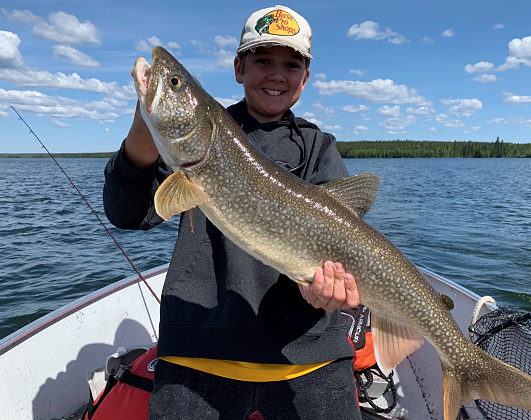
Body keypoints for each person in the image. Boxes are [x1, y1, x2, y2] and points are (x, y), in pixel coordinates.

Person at [103, 5, 362, 419]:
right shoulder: (200, 137)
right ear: (239, 68)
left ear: (305, 78)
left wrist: (331, 292)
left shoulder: (318, 148)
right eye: (263, 60)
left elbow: (344, 253)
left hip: (308, 355)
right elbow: (127, 214)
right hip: (198, 350)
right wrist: (142, 135)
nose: (277, 74)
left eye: (291, 64)